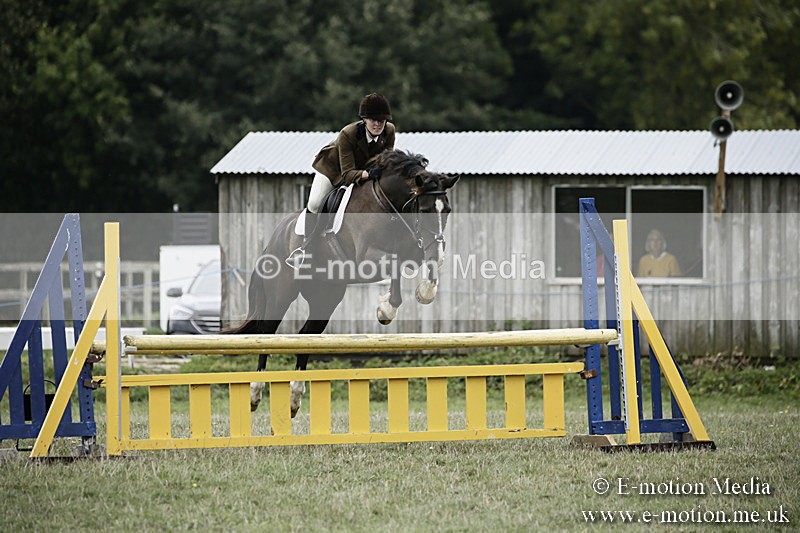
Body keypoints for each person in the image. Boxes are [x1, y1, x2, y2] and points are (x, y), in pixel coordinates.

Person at [287, 92, 396, 266]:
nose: (377, 124)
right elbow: (347, 174)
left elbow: (386, 160)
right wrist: (368, 174)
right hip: (333, 169)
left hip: (363, 171)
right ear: (364, 120)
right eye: (373, 119)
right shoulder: (348, 134)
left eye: (381, 120)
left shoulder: (389, 131)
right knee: (315, 203)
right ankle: (305, 248)